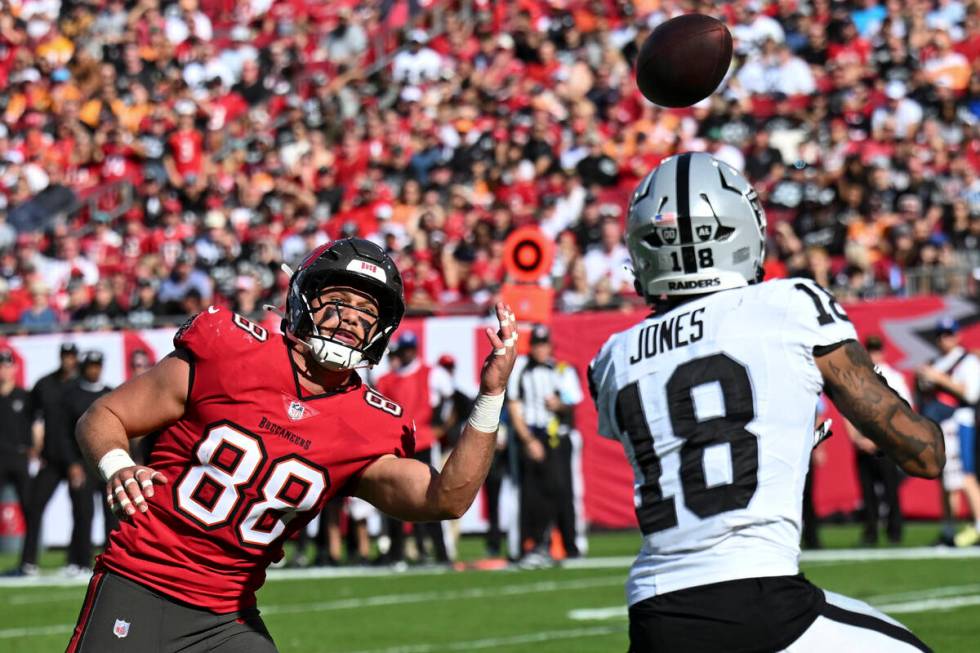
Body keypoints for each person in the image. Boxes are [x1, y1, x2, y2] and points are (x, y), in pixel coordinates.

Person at [66, 238, 517, 652]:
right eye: (339, 301)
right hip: (138, 581)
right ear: (304, 298)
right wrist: (117, 464)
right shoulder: (229, 350)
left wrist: (491, 394)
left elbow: (448, 498)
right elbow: (103, 415)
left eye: (367, 312)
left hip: (227, 615)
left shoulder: (370, 423)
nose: (352, 320)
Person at [588, 153, 942, 653]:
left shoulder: (611, 357)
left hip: (653, 613)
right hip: (756, 600)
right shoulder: (789, 305)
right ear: (742, 230)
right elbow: (923, 454)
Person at [374, 331, 456, 565]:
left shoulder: (432, 374)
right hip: (397, 445)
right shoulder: (386, 380)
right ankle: (396, 553)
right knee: (394, 499)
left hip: (423, 443)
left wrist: (442, 428)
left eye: (411, 348)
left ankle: (441, 553)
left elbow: (454, 400)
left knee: (432, 498)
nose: (408, 352)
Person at [507, 323, 585, 566]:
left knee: (563, 491)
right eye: (537, 345)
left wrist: (559, 405)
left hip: (557, 436)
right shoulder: (521, 370)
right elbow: (514, 406)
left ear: (551, 346)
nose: (541, 349)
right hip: (533, 435)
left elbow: (573, 401)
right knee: (532, 495)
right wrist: (528, 440)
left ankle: (570, 545)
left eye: (544, 344)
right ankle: (534, 544)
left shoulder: (562, 370)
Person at [18, 342, 83, 577]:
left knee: (81, 510)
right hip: (51, 458)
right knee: (34, 506)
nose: (69, 360)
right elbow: (29, 414)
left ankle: (76, 561)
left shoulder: (81, 386)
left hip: (76, 458)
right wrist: (33, 442)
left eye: (72, 356)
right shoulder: (45, 384)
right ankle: (28, 562)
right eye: (66, 356)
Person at [915, 318, 980, 547]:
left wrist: (939, 378)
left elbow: (970, 394)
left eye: (949, 334)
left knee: (965, 474)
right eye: (941, 335)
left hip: (959, 422)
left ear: (957, 335)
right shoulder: (935, 362)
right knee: (944, 479)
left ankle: (979, 525)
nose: (945, 339)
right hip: (939, 425)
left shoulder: (967, 361)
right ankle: (948, 528)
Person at [847, 335, 911, 545]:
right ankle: (871, 531)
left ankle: (894, 531)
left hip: (886, 443)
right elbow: (847, 410)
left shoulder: (894, 377)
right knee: (867, 490)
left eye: (877, 350)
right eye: (870, 351)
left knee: (891, 489)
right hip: (863, 442)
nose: (874, 355)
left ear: (882, 352)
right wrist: (857, 438)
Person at [64, 350, 114, 559]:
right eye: (91, 366)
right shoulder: (72, 396)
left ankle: (113, 557)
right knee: (83, 513)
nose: (95, 370)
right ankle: (80, 559)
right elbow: (64, 433)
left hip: (109, 460)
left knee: (113, 513)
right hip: (84, 462)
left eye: (98, 365)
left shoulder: (111, 393)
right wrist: (72, 463)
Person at [0, 348, 33, 547]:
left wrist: (35, 448)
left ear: (14, 368)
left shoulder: (24, 396)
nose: (3, 370)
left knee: (30, 507)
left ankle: (28, 560)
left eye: (6, 366)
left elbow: (36, 426)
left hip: (20, 457)